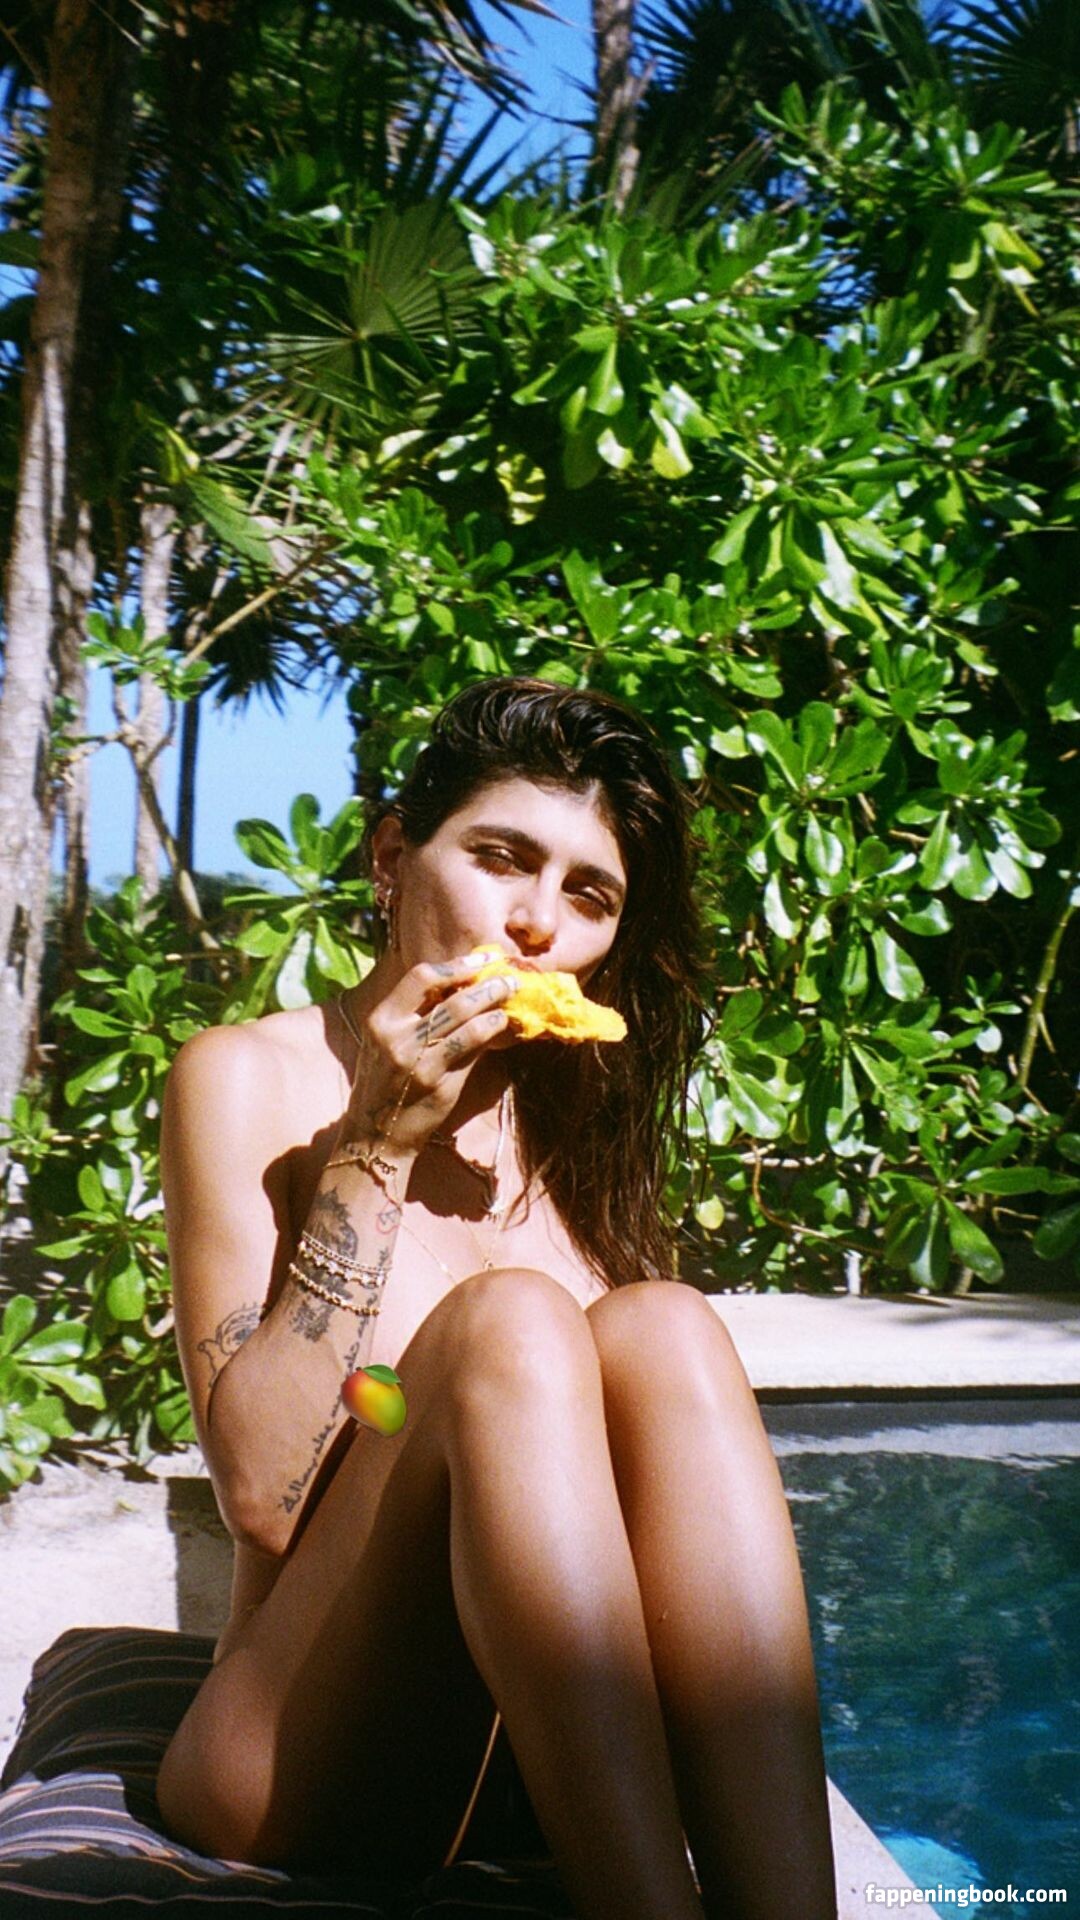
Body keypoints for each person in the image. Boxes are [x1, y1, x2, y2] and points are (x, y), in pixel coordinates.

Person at [154, 676, 837, 1920]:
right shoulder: (247, 1078)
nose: (535, 924)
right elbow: (258, 1498)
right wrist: (374, 1147)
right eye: (502, 859)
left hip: (536, 1760)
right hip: (302, 1751)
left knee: (667, 1323)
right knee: (509, 1323)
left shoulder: (573, 1132)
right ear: (391, 857)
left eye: (589, 897)